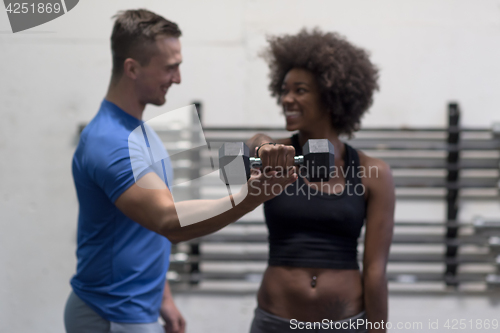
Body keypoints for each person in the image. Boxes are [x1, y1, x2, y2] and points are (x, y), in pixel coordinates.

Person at [64, 9, 297, 333]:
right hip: (111, 313)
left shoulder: (141, 132)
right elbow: (167, 220)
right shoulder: (110, 141)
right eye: (170, 68)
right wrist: (248, 197)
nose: (177, 78)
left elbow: (142, 230)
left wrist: (164, 297)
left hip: (137, 308)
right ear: (132, 68)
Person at [247, 29, 395, 332]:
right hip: (275, 322)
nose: (287, 99)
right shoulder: (276, 156)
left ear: (331, 97)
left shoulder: (373, 172)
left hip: (345, 323)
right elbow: (255, 144)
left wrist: (378, 329)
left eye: (300, 90)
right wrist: (263, 145)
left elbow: (376, 270)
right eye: (284, 90)